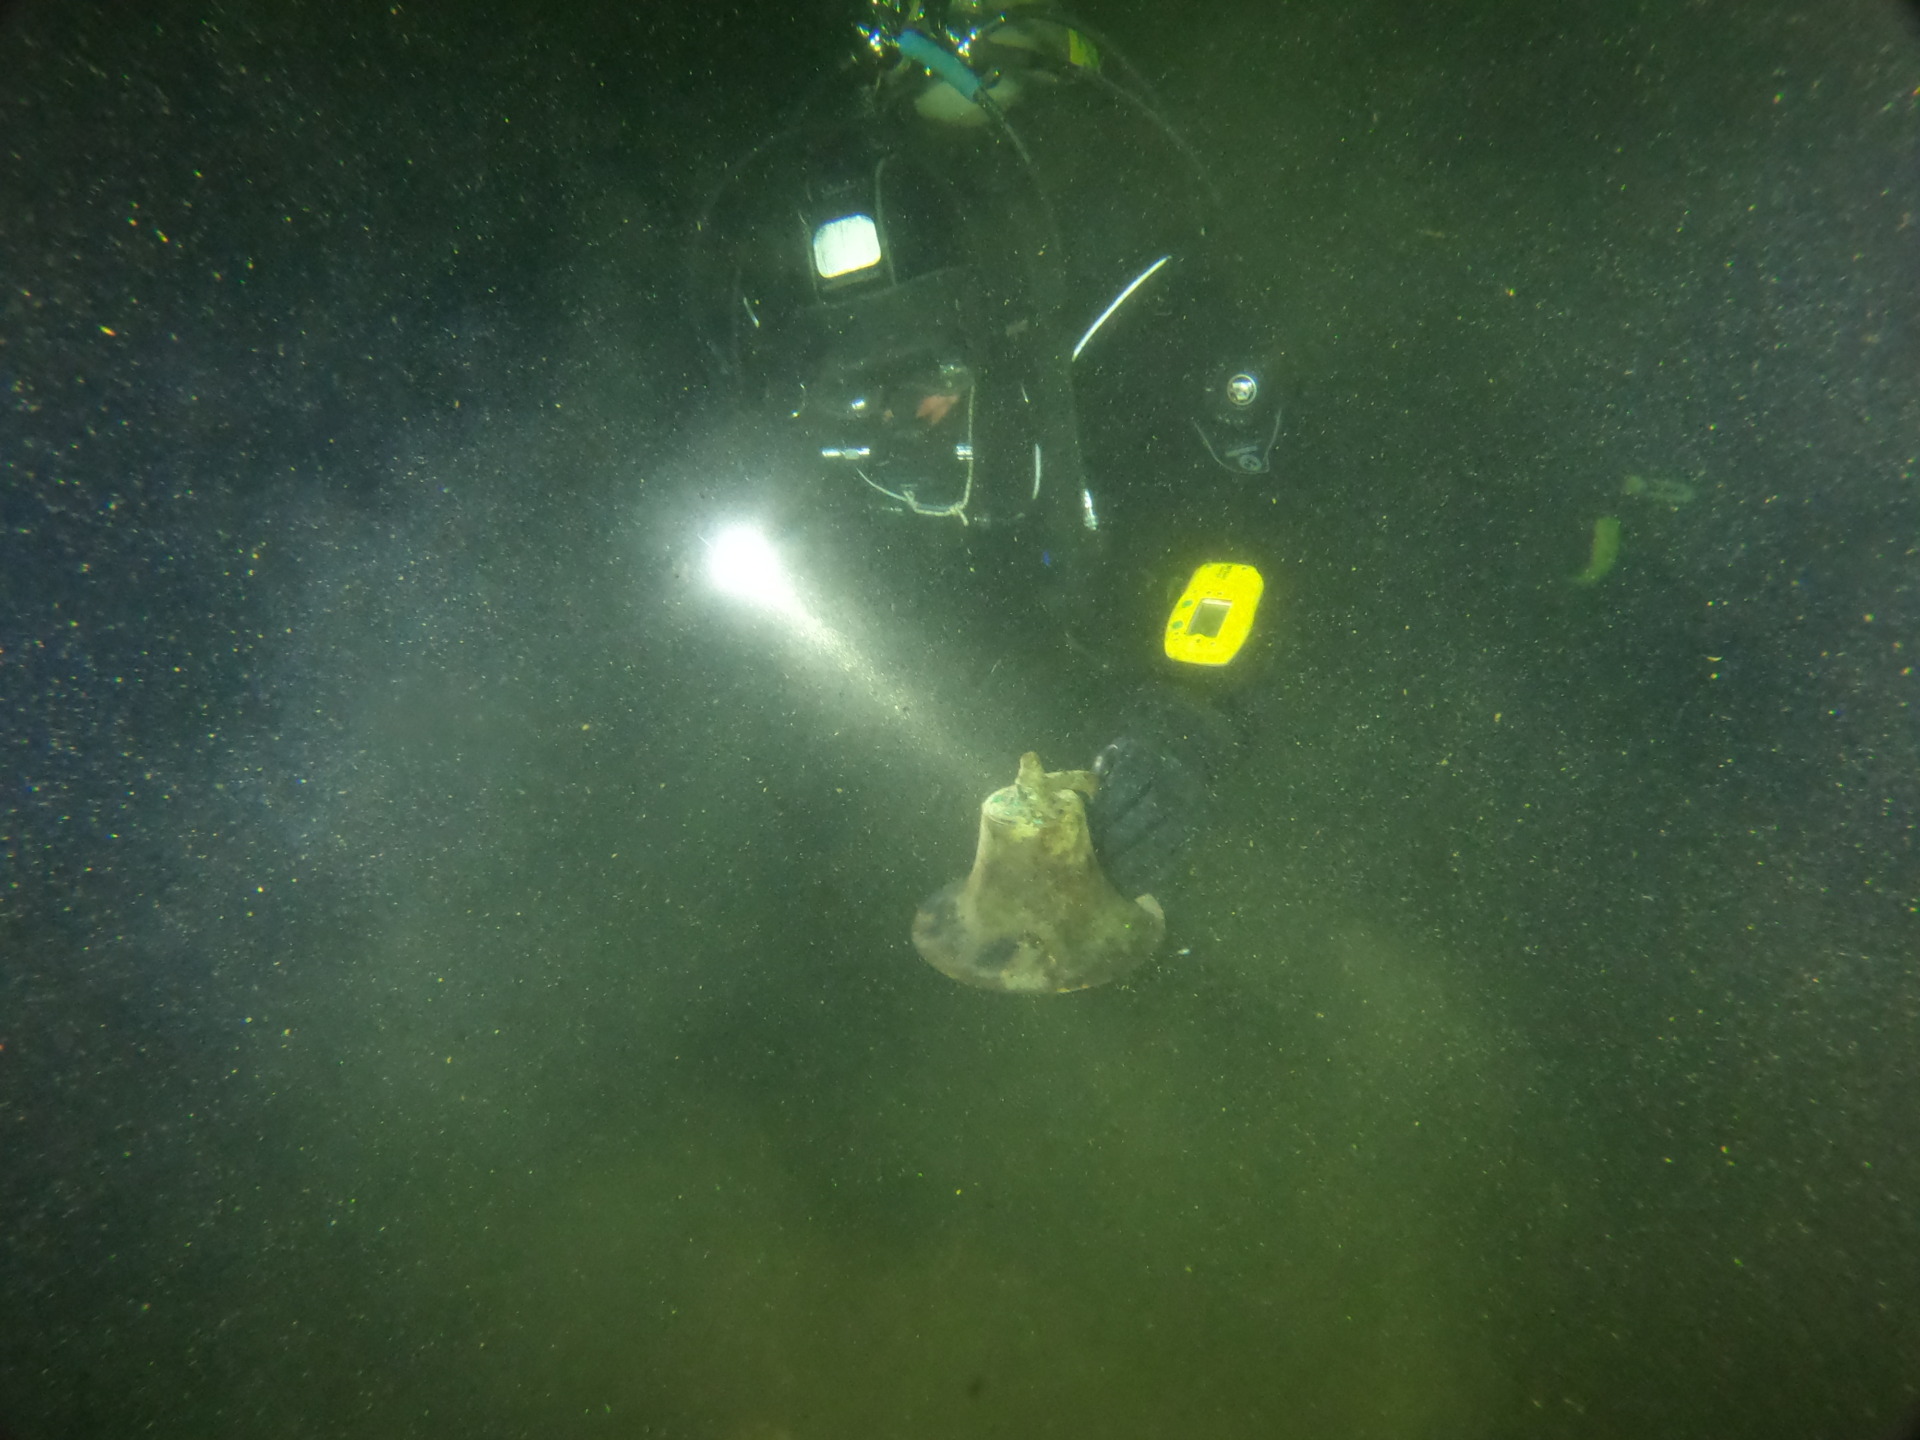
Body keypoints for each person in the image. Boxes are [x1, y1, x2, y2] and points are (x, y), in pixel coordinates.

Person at [689, 0, 1283, 903]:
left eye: (925, 378)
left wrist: (1194, 709)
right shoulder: (832, 458)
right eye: (857, 393)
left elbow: (1241, 538)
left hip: (1121, 626)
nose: (904, 420)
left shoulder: (1118, 357)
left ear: (993, 339)